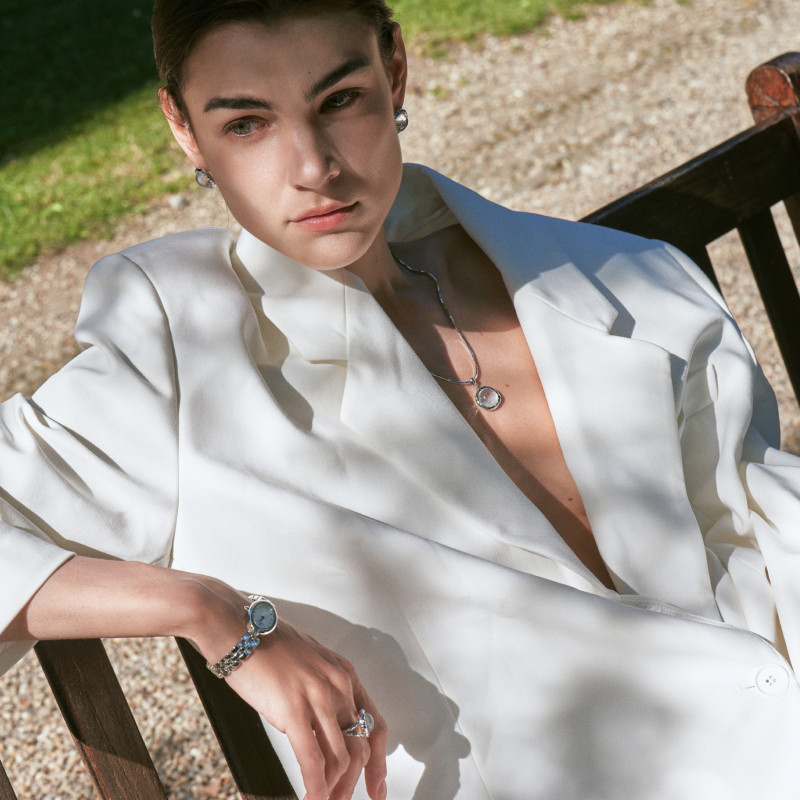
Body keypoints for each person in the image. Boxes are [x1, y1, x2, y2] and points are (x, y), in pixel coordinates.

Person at [2, 1, 800, 798]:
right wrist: (205, 609)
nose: (314, 166)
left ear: (394, 70)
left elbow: (764, 526)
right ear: (183, 128)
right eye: (247, 124)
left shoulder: (616, 275)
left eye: (339, 100)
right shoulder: (183, 349)